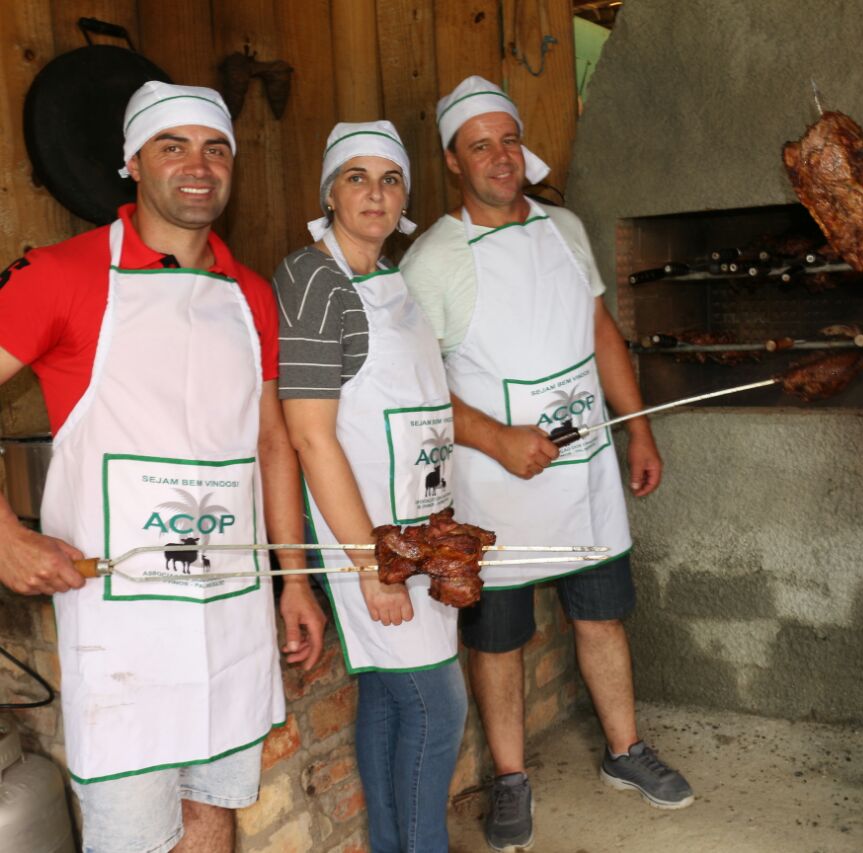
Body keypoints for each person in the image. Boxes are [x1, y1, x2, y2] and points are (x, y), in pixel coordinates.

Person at [0, 81, 326, 852]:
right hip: (125, 637)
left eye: (216, 148)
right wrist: (4, 534)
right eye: (171, 146)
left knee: (213, 810)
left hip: (230, 616)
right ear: (132, 163)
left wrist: (295, 578)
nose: (198, 165)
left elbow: (272, 442)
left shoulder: (250, 295)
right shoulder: (62, 274)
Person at [401, 75, 692, 851]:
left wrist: (638, 429)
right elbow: (414, 388)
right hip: (495, 486)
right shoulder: (432, 258)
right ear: (455, 163)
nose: (500, 157)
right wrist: (496, 438)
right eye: (479, 145)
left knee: (601, 613)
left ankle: (626, 750)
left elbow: (600, 332)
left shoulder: (566, 228)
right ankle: (509, 776)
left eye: (508, 139)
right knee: (498, 637)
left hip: (586, 466)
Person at [273, 120, 466, 853]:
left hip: (421, 532)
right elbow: (312, 436)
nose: (375, 194)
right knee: (437, 708)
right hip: (369, 536)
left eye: (389, 180)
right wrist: (369, 564)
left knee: (391, 696)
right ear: (329, 191)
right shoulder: (313, 277)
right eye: (356, 177)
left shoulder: (391, 276)